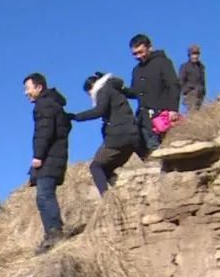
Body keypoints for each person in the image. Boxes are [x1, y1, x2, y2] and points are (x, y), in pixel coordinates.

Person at [68, 72, 141, 196]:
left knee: (95, 167)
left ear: (91, 88)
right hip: (133, 135)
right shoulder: (115, 88)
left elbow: (99, 111)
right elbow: (135, 94)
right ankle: (123, 192)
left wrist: (75, 117)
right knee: (106, 169)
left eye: (89, 94)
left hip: (118, 137)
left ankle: (107, 200)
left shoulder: (102, 90)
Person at [23, 72, 72, 254]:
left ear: (39, 87)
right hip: (55, 157)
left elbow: (44, 132)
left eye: (28, 88)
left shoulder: (44, 105)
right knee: (43, 195)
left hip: (50, 158)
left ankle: (54, 233)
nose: (25, 93)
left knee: (44, 196)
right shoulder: (54, 104)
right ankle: (52, 232)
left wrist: (38, 156)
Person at [124, 34, 181, 157]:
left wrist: (173, 109)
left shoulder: (163, 62)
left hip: (162, 116)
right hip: (144, 119)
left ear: (149, 47)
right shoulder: (136, 70)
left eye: (141, 52)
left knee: (163, 151)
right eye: (134, 54)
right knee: (144, 150)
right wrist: (120, 87)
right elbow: (135, 92)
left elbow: (173, 85)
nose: (138, 56)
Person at [179, 44, 207, 114]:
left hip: (200, 94)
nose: (195, 56)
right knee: (193, 112)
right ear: (189, 55)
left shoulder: (201, 67)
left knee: (199, 112)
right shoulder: (185, 66)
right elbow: (180, 81)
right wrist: (186, 92)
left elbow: (203, 81)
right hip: (190, 94)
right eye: (193, 54)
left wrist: (203, 91)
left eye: (197, 54)